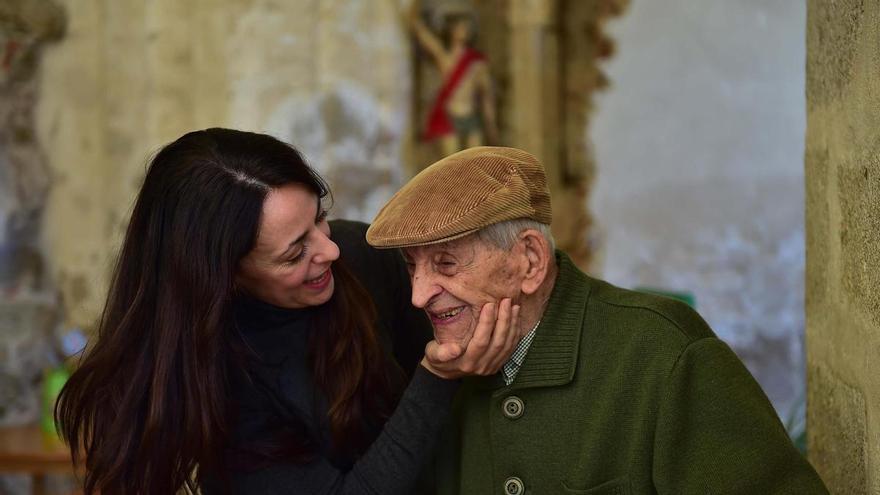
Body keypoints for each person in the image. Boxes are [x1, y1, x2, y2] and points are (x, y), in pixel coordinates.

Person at [55, 129, 524, 495]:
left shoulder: (358, 255)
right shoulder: (220, 383)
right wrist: (437, 379)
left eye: (319, 218)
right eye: (294, 252)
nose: (330, 251)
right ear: (225, 277)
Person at [366, 146, 830, 494]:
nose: (418, 295)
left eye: (446, 264)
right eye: (412, 266)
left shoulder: (664, 354)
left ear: (529, 260)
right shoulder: (440, 374)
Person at [404, 0, 498, 154]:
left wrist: (491, 126)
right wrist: (413, 14)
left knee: (476, 163)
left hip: (471, 117)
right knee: (452, 166)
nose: (464, 30)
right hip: (450, 118)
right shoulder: (445, 58)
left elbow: (486, 97)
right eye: (460, 26)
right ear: (451, 30)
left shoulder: (477, 62)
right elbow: (422, 35)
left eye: (466, 26)